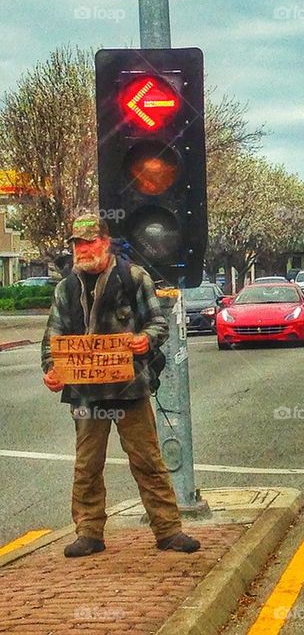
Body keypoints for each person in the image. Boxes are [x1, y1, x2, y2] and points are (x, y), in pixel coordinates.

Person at [40, 212, 200, 557]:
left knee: (147, 459)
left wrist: (145, 339)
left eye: (89, 242)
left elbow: (158, 322)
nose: (83, 249)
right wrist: (52, 369)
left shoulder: (133, 278)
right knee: (87, 465)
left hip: (130, 388)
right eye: (77, 244)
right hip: (85, 393)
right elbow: (53, 337)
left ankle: (168, 530)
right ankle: (89, 532)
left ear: (105, 242)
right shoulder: (66, 288)